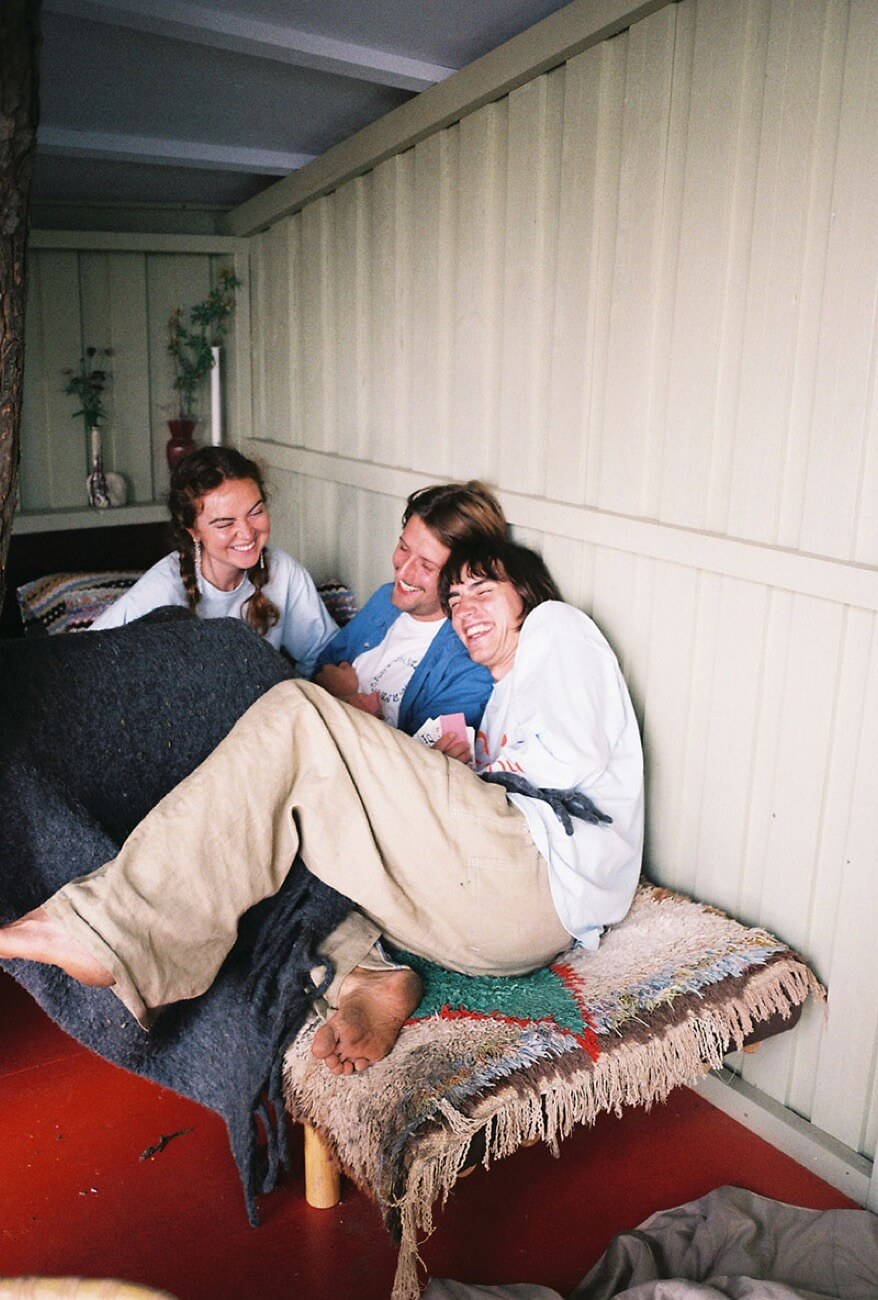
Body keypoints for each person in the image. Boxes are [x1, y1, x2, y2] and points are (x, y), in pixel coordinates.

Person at [0, 539, 644, 1078]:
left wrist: (453, 773)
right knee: (287, 829)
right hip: (491, 931)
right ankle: (365, 974)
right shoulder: (500, 695)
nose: (465, 610)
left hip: (535, 879)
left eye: (483, 591)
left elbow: (567, 762)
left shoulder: (557, 628)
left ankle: (106, 927)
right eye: (455, 601)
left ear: (526, 593)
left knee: (298, 712)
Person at [90, 446, 337, 679]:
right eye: (225, 524)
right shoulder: (161, 591)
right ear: (193, 531)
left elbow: (325, 654)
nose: (247, 534)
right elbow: (88, 660)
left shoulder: (283, 572)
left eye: (255, 512)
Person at [313, 481, 506, 733]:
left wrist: (346, 698)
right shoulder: (385, 600)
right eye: (404, 548)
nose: (403, 571)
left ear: (463, 576)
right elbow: (323, 669)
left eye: (426, 566)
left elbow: (420, 754)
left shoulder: (470, 663)